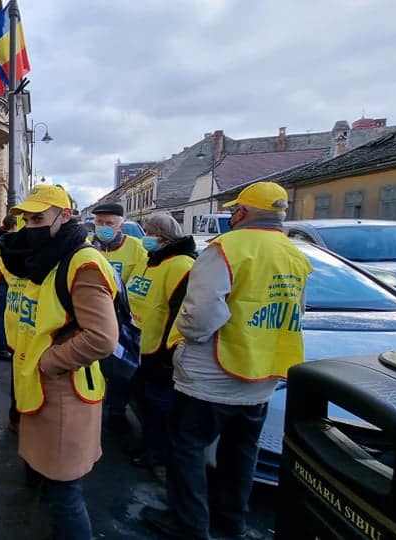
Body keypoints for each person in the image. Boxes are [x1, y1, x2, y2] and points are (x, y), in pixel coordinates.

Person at [142, 182, 312, 540]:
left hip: (212, 373)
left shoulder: (227, 248)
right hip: (262, 375)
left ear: (243, 213)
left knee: (186, 448)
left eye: (236, 210)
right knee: (240, 453)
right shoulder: (294, 253)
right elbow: (295, 311)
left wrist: (182, 343)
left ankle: (189, 525)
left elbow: (200, 314)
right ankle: (231, 520)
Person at [0, 185, 119, 540]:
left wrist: (48, 362)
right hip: (37, 388)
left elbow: (101, 337)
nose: (29, 226)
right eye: (26, 219)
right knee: (47, 483)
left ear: (65, 216)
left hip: (64, 392)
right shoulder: (44, 257)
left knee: (65, 492)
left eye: (38, 218)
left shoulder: (83, 261)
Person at [124, 213, 196, 476]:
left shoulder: (181, 266)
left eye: (149, 233)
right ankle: (147, 446)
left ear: (163, 237)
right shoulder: (153, 261)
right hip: (141, 345)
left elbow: (181, 312)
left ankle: (157, 453)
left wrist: (169, 353)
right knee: (144, 403)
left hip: (160, 353)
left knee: (158, 407)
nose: (145, 238)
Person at [90, 202, 147, 434]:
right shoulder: (87, 247)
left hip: (121, 321)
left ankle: (116, 411)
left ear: (120, 225)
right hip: (92, 318)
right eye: (99, 222)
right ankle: (93, 406)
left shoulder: (136, 248)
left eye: (109, 223)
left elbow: (141, 282)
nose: (103, 227)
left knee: (118, 369)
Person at [0, 215, 18, 361]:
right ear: (15, 225)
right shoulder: (21, 241)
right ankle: (10, 344)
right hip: (17, 284)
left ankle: (1, 347)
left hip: (1, 282)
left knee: (2, 315)